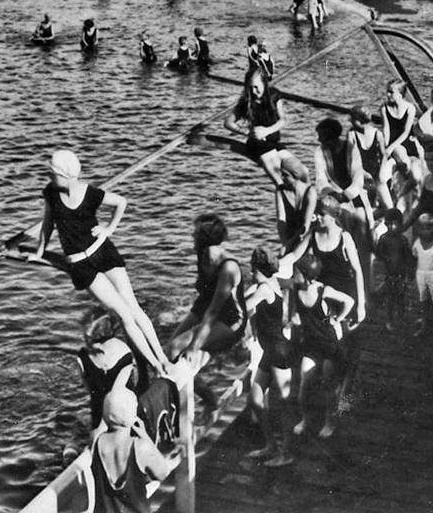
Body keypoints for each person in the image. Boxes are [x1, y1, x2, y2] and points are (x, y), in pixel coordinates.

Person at [34, 150, 172, 374]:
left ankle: (162, 357)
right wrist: (39, 252)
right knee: (123, 314)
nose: (49, 177)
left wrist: (109, 229)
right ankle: (155, 365)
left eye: (53, 174)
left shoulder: (89, 193)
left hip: (103, 251)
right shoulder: (50, 193)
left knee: (134, 308)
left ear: (66, 175)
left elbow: (121, 202)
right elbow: (48, 223)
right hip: (81, 264)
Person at [167, 213, 248, 415]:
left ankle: (209, 400)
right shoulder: (203, 256)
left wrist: (194, 346)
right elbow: (204, 299)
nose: (192, 235)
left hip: (231, 321)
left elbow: (213, 311)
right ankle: (202, 397)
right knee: (170, 350)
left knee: (178, 348)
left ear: (206, 236)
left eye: (195, 232)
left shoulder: (228, 267)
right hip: (207, 309)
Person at [284, 252, 353, 440]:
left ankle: (329, 423)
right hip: (311, 345)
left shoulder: (323, 290)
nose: (293, 273)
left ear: (305, 274)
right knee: (304, 386)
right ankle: (306, 420)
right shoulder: (295, 287)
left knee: (329, 387)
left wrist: (337, 318)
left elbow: (349, 301)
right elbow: (279, 283)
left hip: (329, 345)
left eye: (296, 271)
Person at [243, 247, 296, 465]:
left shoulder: (264, 289)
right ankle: (271, 445)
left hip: (279, 350)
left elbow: (244, 307)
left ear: (257, 269)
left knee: (284, 403)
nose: (250, 272)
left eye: (252, 268)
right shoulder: (271, 283)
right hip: (270, 349)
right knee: (255, 398)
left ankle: (286, 453)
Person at [313, 117, 373, 293]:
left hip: (353, 195)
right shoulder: (320, 151)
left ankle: (366, 288)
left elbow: (358, 177)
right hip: (332, 196)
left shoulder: (350, 148)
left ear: (333, 137)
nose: (320, 141)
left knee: (362, 238)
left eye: (323, 137)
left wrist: (346, 195)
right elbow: (320, 179)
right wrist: (333, 195)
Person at [90, 387, 175, 513]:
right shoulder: (140, 446)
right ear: (130, 415)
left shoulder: (96, 440)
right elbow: (162, 472)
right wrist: (145, 437)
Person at [224, 68, 288, 188]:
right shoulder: (246, 102)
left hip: (274, 143)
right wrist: (246, 132)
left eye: (256, 87)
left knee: (301, 171)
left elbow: (283, 120)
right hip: (258, 145)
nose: (254, 91)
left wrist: (268, 130)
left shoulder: (274, 95)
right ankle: (284, 199)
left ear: (264, 83)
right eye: (250, 88)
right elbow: (228, 122)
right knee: (280, 182)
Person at [372, 209, 409, 330]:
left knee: (401, 298)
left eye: (395, 224)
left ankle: (401, 318)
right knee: (390, 298)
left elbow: (407, 256)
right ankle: (389, 320)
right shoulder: (383, 238)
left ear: (400, 224)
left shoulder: (403, 240)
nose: (392, 227)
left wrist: (409, 271)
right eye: (389, 224)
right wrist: (385, 258)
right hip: (389, 273)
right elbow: (378, 253)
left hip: (401, 273)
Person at [412, 213, 433, 340]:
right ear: (418, 229)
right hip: (421, 274)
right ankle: (424, 326)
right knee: (423, 301)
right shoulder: (416, 243)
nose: (426, 231)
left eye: (429, 228)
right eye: (423, 228)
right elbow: (415, 258)